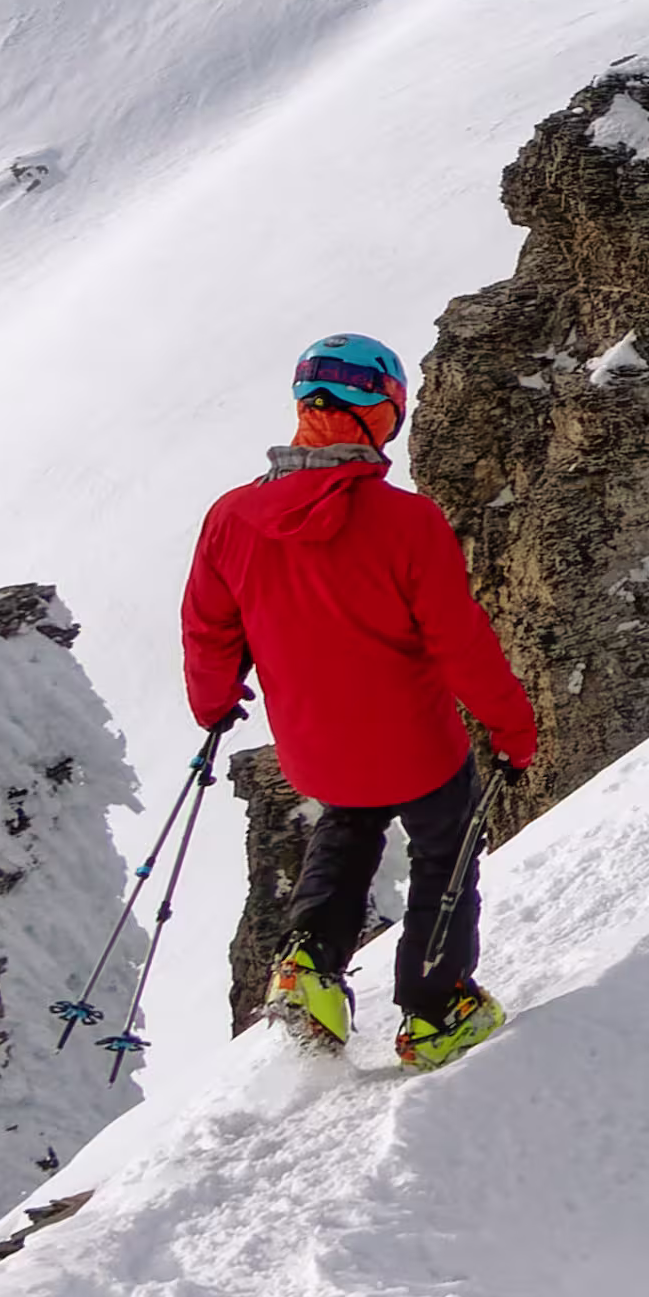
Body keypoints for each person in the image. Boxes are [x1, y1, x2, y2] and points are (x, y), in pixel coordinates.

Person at [181, 334, 542, 1070]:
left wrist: (214, 705)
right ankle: (437, 1008)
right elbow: (460, 643)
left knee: (346, 831)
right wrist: (511, 726)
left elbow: (208, 628)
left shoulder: (231, 518)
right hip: (416, 744)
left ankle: (309, 968)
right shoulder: (408, 523)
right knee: (445, 852)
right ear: (384, 415)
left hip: (315, 747)